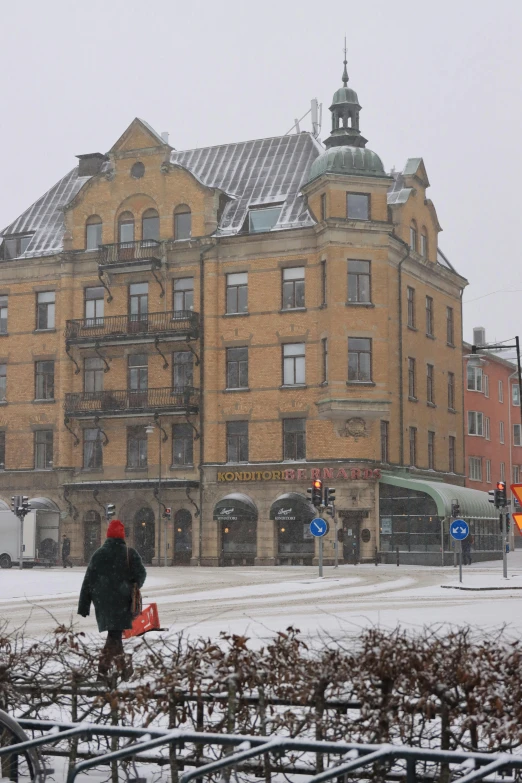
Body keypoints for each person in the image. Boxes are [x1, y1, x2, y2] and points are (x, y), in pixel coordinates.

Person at [77, 519, 146, 679]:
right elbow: (141, 575)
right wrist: (133, 584)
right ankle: (104, 670)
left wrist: (84, 605)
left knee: (114, 634)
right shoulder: (130, 553)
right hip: (123, 602)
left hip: (103, 603)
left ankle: (122, 670)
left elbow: (88, 580)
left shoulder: (99, 554)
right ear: (122, 537)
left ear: (108, 536)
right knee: (114, 634)